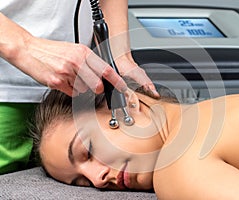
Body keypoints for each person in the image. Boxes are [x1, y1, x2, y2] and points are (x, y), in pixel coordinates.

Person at [31, 81, 239, 199]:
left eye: (88, 150)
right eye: (81, 182)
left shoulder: (177, 170)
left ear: (126, 102)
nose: (98, 179)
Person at [0, 0, 158, 174]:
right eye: (89, 148)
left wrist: (118, 56)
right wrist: (25, 47)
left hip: (79, 91)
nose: (99, 179)